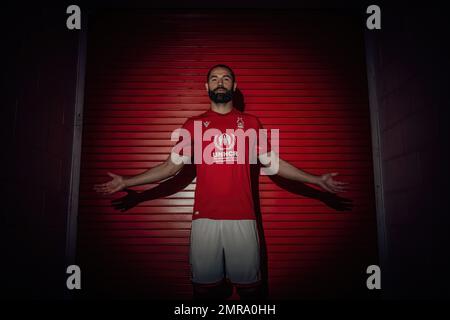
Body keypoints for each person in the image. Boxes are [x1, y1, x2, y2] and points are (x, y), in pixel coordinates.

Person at [93, 64, 348, 300]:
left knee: (251, 288)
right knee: (203, 288)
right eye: (214, 79)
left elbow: (275, 164)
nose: (220, 83)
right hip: (205, 219)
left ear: (234, 86)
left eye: (226, 78)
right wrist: (128, 182)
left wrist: (317, 181)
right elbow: (171, 166)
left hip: (243, 218)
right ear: (207, 87)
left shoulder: (250, 123)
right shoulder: (192, 125)